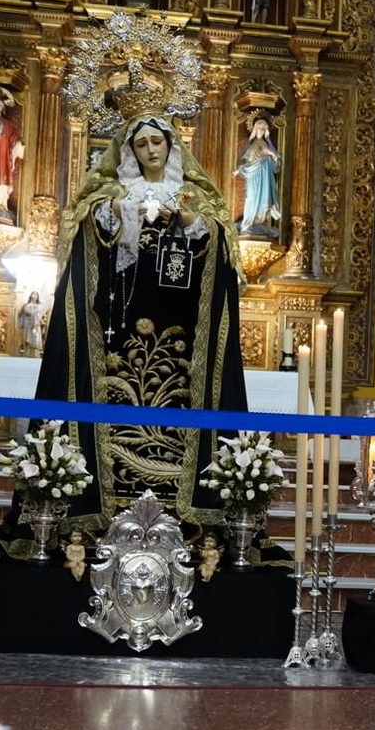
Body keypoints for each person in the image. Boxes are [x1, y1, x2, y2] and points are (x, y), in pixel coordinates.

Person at [19, 93, 246, 533]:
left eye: (157, 141)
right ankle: (102, 495)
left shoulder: (196, 197)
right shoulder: (111, 195)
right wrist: (122, 212)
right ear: (128, 151)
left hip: (181, 329)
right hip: (115, 327)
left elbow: (218, 246)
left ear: (171, 145)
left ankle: (183, 498)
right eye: (140, 144)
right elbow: (86, 236)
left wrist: (186, 221)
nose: (151, 150)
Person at [234, 117, 281, 236]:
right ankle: (248, 224)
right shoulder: (250, 145)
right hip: (253, 177)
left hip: (265, 178)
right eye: (259, 128)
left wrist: (270, 153)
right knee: (251, 199)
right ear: (255, 129)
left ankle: (260, 224)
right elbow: (242, 161)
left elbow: (277, 165)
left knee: (265, 203)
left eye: (264, 128)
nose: (261, 130)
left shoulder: (267, 145)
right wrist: (239, 170)